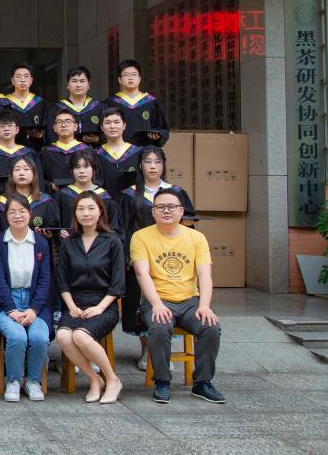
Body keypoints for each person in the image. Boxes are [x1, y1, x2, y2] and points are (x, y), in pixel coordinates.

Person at [131, 189, 224, 405]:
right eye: (160, 207)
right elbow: (142, 273)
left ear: (181, 211)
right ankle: (162, 382)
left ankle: (202, 382)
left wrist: (204, 306)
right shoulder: (141, 237)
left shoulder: (196, 238)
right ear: (152, 212)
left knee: (210, 327)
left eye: (171, 207)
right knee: (159, 327)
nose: (166, 211)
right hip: (157, 300)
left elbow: (205, 274)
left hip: (190, 301)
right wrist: (156, 304)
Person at [120, 147, 196, 364]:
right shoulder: (129, 195)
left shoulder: (176, 193)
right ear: (140, 165)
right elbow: (123, 229)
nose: (153, 166)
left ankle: (163, 351)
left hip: (169, 258)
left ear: (164, 165)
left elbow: (190, 226)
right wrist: (127, 258)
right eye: (148, 162)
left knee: (170, 301)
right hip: (139, 259)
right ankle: (147, 349)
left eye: (157, 162)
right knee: (140, 305)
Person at [56, 191, 125, 404]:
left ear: (100, 212)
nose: (86, 213)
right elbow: (62, 280)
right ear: (75, 214)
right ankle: (95, 379)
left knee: (80, 336)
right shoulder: (69, 243)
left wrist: (100, 308)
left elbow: (118, 284)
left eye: (91, 208)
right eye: (81, 209)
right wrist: (71, 305)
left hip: (104, 303)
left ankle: (112, 379)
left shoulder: (112, 241)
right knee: (63, 336)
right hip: (75, 303)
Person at [0, 194, 53, 402]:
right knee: (17, 336)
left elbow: (45, 280)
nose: (18, 216)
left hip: (35, 303)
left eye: (22, 211)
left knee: (39, 336)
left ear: (30, 214)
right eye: (12, 212)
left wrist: (34, 309)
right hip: (6, 303)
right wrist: (12, 310)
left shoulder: (40, 243)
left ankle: (33, 381)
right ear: (6, 216)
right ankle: (14, 381)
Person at [54, 151, 123, 236]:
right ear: (71, 171)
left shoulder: (104, 197)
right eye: (77, 167)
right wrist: (59, 232)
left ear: (94, 169)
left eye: (86, 166)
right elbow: (55, 227)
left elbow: (114, 229)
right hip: (70, 242)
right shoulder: (62, 195)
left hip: (100, 243)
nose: (82, 171)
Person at [105, 59, 170, 147]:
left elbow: (162, 129)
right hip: (118, 152)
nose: (130, 78)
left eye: (134, 74)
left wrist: (157, 135)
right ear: (119, 80)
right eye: (126, 75)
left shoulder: (151, 102)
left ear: (140, 78)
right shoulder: (110, 103)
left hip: (145, 151)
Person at [0, 153, 60, 236]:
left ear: (34, 174)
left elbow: (54, 232)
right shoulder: (1, 203)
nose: (21, 173)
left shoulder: (45, 201)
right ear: (11, 175)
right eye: (17, 169)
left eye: (26, 169)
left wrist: (48, 235)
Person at [0, 112, 36, 201]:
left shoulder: (28, 154)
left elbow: (38, 181)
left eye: (10, 125)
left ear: (17, 130)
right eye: (2, 126)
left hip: (26, 202)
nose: (6, 129)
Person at [41, 108, 93, 190]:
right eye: (59, 122)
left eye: (68, 121)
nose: (63, 125)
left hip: (83, 195)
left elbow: (97, 177)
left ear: (75, 126)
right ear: (54, 128)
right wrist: (51, 186)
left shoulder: (87, 150)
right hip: (55, 196)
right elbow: (40, 178)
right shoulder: (46, 153)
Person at [94, 108, 142, 198]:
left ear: (124, 125)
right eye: (107, 123)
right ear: (102, 128)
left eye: (116, 122)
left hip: (131, 203)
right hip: (105, 203)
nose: (112, 126)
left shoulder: (137, 152)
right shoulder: (95, 154)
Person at [52, 66, 104, 146]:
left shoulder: (99, 107)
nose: (78, 85)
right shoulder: (57, 108)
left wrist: (98, 139)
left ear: (88, 85)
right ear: (68, 85)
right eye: (74, 81)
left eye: (82, 81)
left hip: (94, 152)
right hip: (64, 152)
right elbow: (51, 135)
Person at [5, 62, 49, 151]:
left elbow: (47, 131)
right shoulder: (4, 103)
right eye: (18, 76)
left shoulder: (40, 103)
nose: (22, 80)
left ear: (31, 80)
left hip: (36, 152)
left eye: (26, 76)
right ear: (12, 81)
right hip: (9, 151)